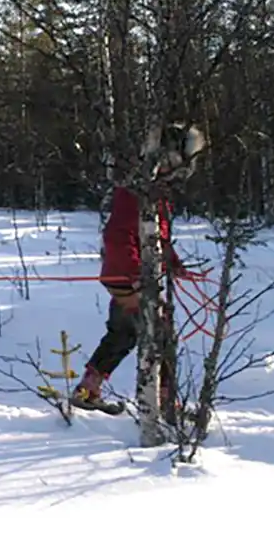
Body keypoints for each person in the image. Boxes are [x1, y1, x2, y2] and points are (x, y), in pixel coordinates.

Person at [72, 124, 207, 420]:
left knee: (122, 333)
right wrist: (135, 277)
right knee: (159, 336)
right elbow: (118, 236)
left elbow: (152, 235)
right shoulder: (139, 190)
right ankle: (166, 405)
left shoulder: (153, 190)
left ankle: (86, 391)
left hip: (126, 275)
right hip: (128, 277)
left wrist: (172, 262)